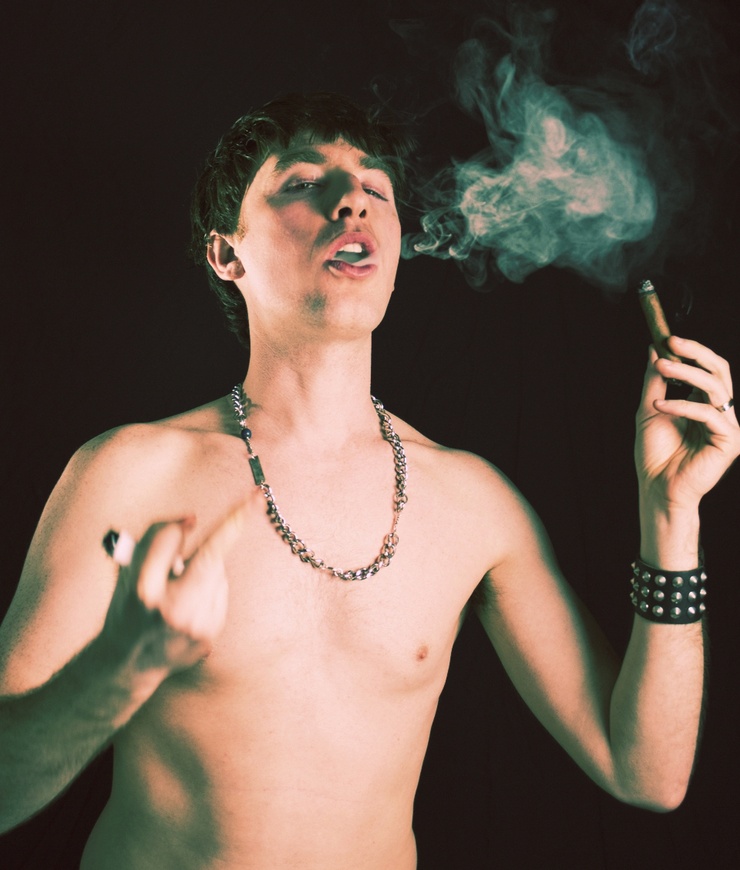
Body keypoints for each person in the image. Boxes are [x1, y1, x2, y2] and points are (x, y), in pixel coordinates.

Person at [0, 92, 738, 870]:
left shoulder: (474, 506)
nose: (350, 200)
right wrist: (121, 667)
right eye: (301, 182)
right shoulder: (129, 474)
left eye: (374, 189)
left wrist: (672, 514)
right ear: (226, 255)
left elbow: (646, 773)